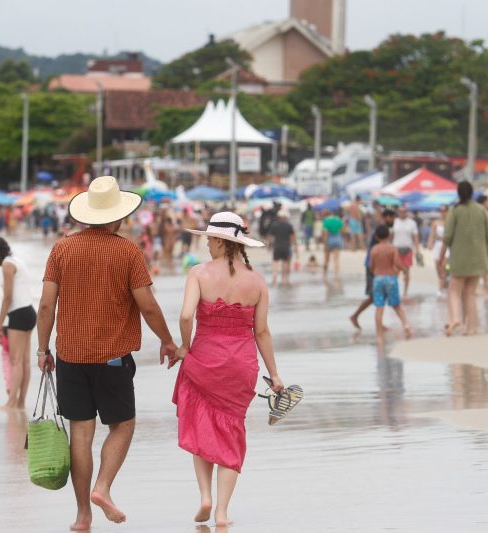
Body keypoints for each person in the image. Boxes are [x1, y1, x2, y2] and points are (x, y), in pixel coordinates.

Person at [36, 176, 177, 531]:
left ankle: (83, 516)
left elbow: (45, 306)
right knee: (123, 425)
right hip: (113, 356)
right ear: (118, 215)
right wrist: (168, 341)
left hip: (69, 355)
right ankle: (103, 487)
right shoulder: (128, 251)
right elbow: (147, 305)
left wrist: (42, 349)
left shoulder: (61, 249)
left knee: (80, 433)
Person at [172, 211, 283, 527]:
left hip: (204, 358)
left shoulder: (199, 273)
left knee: (200, 423)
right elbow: (261, 331)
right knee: (232, 430)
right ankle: (221, 512)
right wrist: (274, 374)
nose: (206, 244)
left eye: (209, 239)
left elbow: (185, 316)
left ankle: (205, 496)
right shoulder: (257, 281)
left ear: (221, 241)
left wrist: (184, 347)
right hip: (241, 364)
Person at [0, 238, 36, 409]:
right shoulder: (16, 260)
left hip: (18, 314)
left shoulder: (7, 265)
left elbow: (7, 297)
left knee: (16, 361)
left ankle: (12, 402)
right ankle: (20, 402)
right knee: (24, 361)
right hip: (29, 312)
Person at [439, 181, 488, 336]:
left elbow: (447, 237)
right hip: (478, 258)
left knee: (454, 291)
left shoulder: (455, 211)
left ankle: (456, 318)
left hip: (459, 258)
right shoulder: (481, 210)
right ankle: (471, 328)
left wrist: (441, 258)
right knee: (470, 293)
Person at [349, 209, 396, 330]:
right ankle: (356, 316)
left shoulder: (382, 229)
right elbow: (377, 250)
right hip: (373, 266)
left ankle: (374, 321)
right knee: (374, 296)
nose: (394, 220)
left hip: (374, 265)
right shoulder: (382, 230)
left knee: (377, 295)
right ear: (387, 217)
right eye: (392, 218)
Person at [370, 224, 412, 339]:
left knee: (379, 308)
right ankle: (406, 325)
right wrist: (405, 270)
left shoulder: (374, 249)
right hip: (390, 278)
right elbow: (397, 263)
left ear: (376, 237)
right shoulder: (392, 248)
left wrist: (375, 272)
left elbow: (371, 266)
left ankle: (379, 336)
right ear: (389, 235)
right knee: (396, 305)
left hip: (378, 279)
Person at [391, 206, 420, 297]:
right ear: (398, 212)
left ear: (407, 212)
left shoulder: (412, 223)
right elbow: (390, 235)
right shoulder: (394, 222)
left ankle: (405, 292)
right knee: (395, 271)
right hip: (396, 249)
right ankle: (394, 291)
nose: (402, 213)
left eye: (404, 211)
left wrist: (417, 250)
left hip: (407, 249)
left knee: (406, 271)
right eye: (400, 211)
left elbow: (415, 237)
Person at [268, 209, 298, 286]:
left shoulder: (274, 225)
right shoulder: (289, 225)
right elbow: (292, 237)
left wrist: (269, 245)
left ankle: (274, 278)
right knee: (285, 262)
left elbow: (270, 237)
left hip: (277, 246)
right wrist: (294, 246)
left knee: (275, 262)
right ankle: (284, 279)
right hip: (286, 246)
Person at [427, 205, 450, 298]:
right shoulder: (436, 223)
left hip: (447, 246)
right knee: (438, 267)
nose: (442, 212)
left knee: (444, 266)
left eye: (444, 210)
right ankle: (443, 285)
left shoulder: (450, 222)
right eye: (441, 211)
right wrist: (430, 244)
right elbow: (432, 234)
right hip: (438, 245)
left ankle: (441, 288)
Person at [321, 210, 344, 275]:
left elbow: (325, 233)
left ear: (326, 215)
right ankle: (336, 275)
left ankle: (324, 275)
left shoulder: (326, 221)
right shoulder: (338, 220)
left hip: (330, 239)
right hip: (338, 238)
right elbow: (344, 228)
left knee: (326, 259)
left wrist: (325, 243)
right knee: (336, 259)